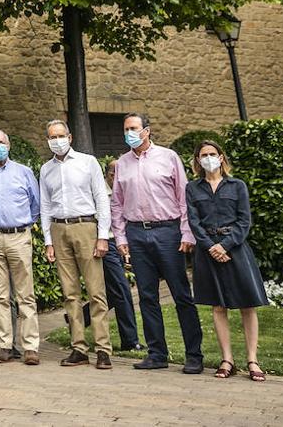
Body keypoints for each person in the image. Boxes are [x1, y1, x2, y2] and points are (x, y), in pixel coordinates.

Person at [112, 113, 204, 374]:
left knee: (181, 295)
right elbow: (117, 203)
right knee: (147, 296)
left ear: (147, 131)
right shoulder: (122, 163)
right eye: (126, 128)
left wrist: (187, 233)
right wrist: (120, 238)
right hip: (136, 234)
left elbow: (183, 197)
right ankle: (157, 353)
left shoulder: (168, 157)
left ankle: (194, 355)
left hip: (168, 232)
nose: (129, 132)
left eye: (134, 128)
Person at [186, 141, 268, 382]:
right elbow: (194, 221)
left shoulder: (237, 186)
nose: (208, 158)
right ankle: (227, 359)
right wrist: (211, 247)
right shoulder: (192, 188)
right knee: (218, 306)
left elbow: (245, 221)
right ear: (198, 160)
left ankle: (252, 359)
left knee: (247, 304)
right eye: (204, 155)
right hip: (207, 250)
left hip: (236, 249)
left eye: (213, 154)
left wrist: (225, 245)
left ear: (221, 158)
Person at [38, 120, 112, 370]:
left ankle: (103, 349)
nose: (56, 140)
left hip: (86, 226)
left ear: (69, 137)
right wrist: (48, 240)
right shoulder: (45, 169)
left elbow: (102, 197)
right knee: (70, 294)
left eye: (60, 135)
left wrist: (103, 235)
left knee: (96, 292)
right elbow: (45, 206)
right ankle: (78, 347)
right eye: (51, 137)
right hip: (59, 229)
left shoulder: (87, 162)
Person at [0, 129, 41, 365]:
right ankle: (4, 345)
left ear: (9, 145)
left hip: (18, 236)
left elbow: (36, 205)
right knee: (0, 295)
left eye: (2, 142)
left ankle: (30, 346)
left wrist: (22, 226)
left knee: (25, 294)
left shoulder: (24, 172)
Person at [95, 160, 142, 352]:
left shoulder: (125, 191)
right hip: (107, 244)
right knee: (122, 289)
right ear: (111, 174)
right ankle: (130, 340)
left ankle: (80, 318)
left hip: (123, 243)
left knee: (114, 293)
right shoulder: (100, 192)